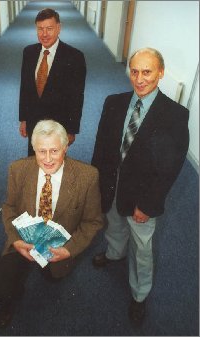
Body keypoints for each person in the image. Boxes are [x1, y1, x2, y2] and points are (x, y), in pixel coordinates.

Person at [91, 48, 189, 325]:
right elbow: (101, 148)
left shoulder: (175, 115)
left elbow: (169, 170)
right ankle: (114, 253)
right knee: (113, 223)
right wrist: (98, 183)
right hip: (113, 181)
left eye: (147, 72)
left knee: (142, 247)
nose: (139, 78)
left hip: (142, 195)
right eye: (134, 71)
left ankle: (139, 294)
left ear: (160, 73)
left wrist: (147, 204)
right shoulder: (114, 102)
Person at [0, 120, 103, 328]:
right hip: (24, 241)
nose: (48, 159)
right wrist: (15, 241)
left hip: (58, 249)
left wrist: (69, 250)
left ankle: (51, 271)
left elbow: (93, 222)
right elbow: (9, 208)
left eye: (54, 151)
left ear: (66, 148)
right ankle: (9, 302)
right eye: (42, 151)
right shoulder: (18, 169)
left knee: (53, 277)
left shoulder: (88, 177)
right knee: (0, 291)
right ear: (34, 149)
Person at [19, 8, 86, 156]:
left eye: (49, 28)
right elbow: (25, 88)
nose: (44, 34)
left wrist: (71, 129)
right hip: (33, 121)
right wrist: (23, 119)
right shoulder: (28, 52)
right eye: (40, 29)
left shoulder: (75, 57)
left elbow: (77, 97)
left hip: (59, 123)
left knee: (55, 161)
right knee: (34, 157)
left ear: (59, 28)